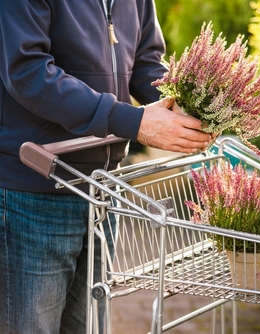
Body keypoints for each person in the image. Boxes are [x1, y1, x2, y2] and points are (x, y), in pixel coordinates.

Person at [0, 0, 214, 333]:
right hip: (35, 189)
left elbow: (146, 63)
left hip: (103, 191)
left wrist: (186, 108)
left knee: (90, 326)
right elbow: (28, 73)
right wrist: (133, 121)